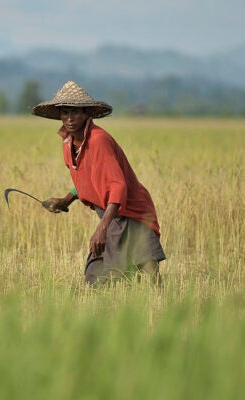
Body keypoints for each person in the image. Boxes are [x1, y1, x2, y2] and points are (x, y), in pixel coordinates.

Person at [32, 81, 166, 285]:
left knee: (147, 270)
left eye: (75, 112)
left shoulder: (98, 140)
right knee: (95, 278)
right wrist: (66, 200)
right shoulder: (68, 142)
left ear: (87, 113)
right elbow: (88, 178)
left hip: (129, 210)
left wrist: (102, 229)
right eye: (65, 112)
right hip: (110, 213)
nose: (69, 118)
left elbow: (117, 186)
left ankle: (161, 309)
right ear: (59, 114)